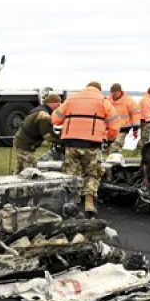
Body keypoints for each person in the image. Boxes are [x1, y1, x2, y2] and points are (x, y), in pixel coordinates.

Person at [51, 81, 120, 218]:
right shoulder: (103, 101)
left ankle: (72, 205)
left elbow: (55, 119)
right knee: (93, 174)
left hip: (70, 144)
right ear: (99, 90)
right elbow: (114, 124)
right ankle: (89, 203)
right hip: (92, 145)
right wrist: (110, 138)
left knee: (72, 175)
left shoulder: (71, 99)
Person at [13, 93, 61, 173]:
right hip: (25, 145)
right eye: (58, 104)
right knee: (32, 171)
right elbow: (47, 135)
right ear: (52, 103)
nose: (59, 107)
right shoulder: (44, 115)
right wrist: (61, 140)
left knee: (20, 170)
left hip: (21, 142)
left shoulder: (40, 110)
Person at [107, 83, 141, 155]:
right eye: (112, 92)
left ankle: (115, 158)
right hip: (111, 128)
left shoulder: (129, 100)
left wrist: (135, 128)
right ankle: (115, 159)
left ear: (120, 91)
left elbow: (136, 114)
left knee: (116, 144)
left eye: (115, 92)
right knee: (111, 146)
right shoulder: (108, 100)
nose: (114, 94)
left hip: (124, 127)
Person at [135, 87, 150, 154]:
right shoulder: (147, 100)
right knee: (145, 138)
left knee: (144, 137)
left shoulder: (148, 99)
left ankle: (139, 150)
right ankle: (139, 151)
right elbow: (146, 111)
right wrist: (149, 121)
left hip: (144, 120)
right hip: (145, 121)